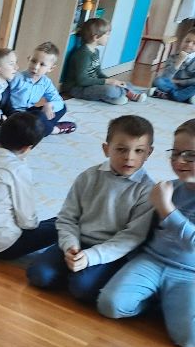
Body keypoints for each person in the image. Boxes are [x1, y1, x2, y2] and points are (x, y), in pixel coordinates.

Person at [27, 115, 156, 302]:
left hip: (110, 251)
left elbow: (131, 237)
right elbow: (67, 217)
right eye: (121, 149)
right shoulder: (88, 177)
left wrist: (91, 257)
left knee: (82, 289)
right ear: (106, 149)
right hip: (78, 242)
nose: (129, 157)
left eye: (139, 151)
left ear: (149, 153)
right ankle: (72, 271)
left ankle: (79, 275)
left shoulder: (146, 190)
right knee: (38, 275)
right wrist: (70, 246)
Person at [97, 119, 195, 347]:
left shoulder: (164, 197)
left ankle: (168, 302)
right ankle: (156, 302)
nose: (179, 161)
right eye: (175, 153)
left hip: (190, 273)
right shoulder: (169, 187)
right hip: (151, 260)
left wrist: (167, 209)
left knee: (189, 339)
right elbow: (143, 229)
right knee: (110, 305)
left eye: (190, 155)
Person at [0, 112, 57, 260]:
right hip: (3, 246)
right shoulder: (17, 170)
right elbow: (28, 222)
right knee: (65, 224)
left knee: (55, 222)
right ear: (27, 148)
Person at [62, 18, 147, 104]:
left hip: (92, 84)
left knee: (126, 84)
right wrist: (107, 82)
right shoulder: (83, 54)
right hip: (78, 88)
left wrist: (112, 81)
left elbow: (98, 72)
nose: (108, 37)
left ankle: (120, 95)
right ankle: (124, 94)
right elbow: (82, 81)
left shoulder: (95, 51)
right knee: (110, 90)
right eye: (107, 35)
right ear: (96, 37)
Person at [10, 41, 76, 136]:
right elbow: (2, 97)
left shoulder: (46, 82)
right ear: (29, 59)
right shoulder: (17, 78)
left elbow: (58, 101)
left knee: (62, 107)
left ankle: (40, 128)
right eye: (33, 61)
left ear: (51, 68)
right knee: (38, 118)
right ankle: (54, 129)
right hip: (14, 114)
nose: (35, 67)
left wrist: (49, 104)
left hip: (29, 113)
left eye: (42, 64)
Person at [151, 30, 195, 104]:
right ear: (182, 41)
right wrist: (178, 62)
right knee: (158, 81)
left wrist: (179, 82)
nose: (189, 45)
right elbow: (166, 77)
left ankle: (167, 95)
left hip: (188, 87)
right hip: (172, 85)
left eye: (194, 43)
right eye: (187, 41)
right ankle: (182, 97)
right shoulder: (172, 57)